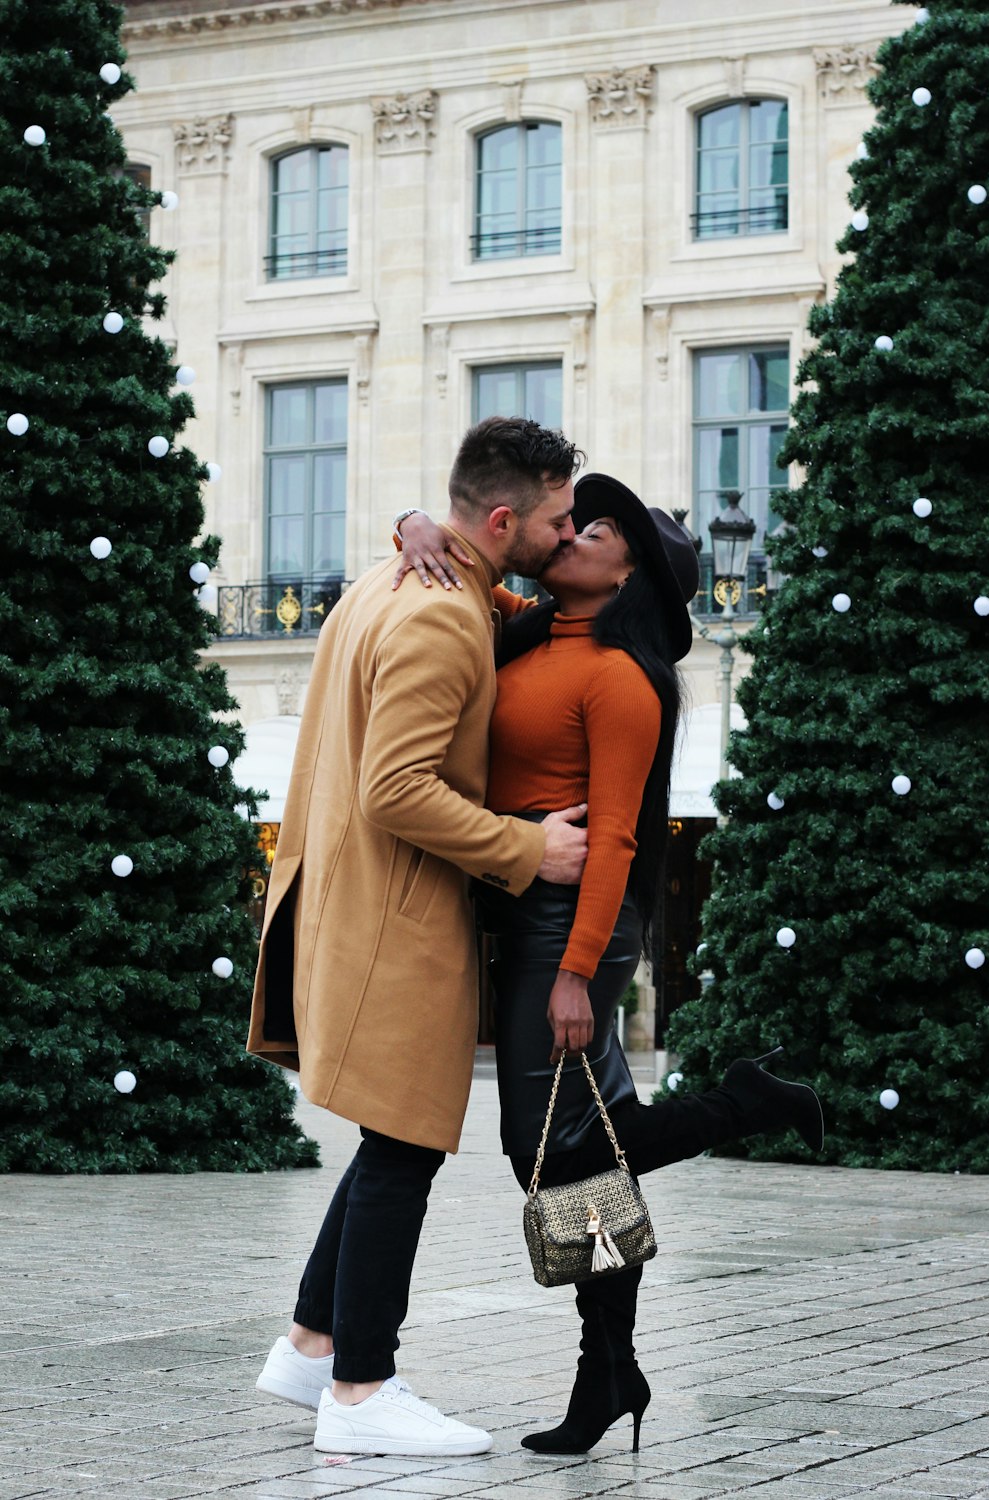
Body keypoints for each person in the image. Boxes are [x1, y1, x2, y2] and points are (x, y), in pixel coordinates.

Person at [396, 473, 824, 1455]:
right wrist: (414, 522)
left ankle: (743, 1109)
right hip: (524, 910)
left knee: (550, 1152)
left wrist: (579, 972)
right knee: (578, 1150)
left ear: (628, 574)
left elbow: (621, 839)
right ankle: (608, 1374)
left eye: (595, 531)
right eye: (575, 522)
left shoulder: (621, 678)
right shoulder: (532, 628)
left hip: (568, 922)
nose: (575, 534)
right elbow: (455, 566)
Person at [247, 417, 592, 1458]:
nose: (565, 537)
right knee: (404, 1151)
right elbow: (398, 788)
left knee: (387, 1142)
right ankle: (361, 1391)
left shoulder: (390, 580)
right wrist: (529, 849)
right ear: (501, 519)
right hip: (395, 919)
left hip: (356, 905)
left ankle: (313, 1345)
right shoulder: (442, 614)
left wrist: (411, 524)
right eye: (556, 520)